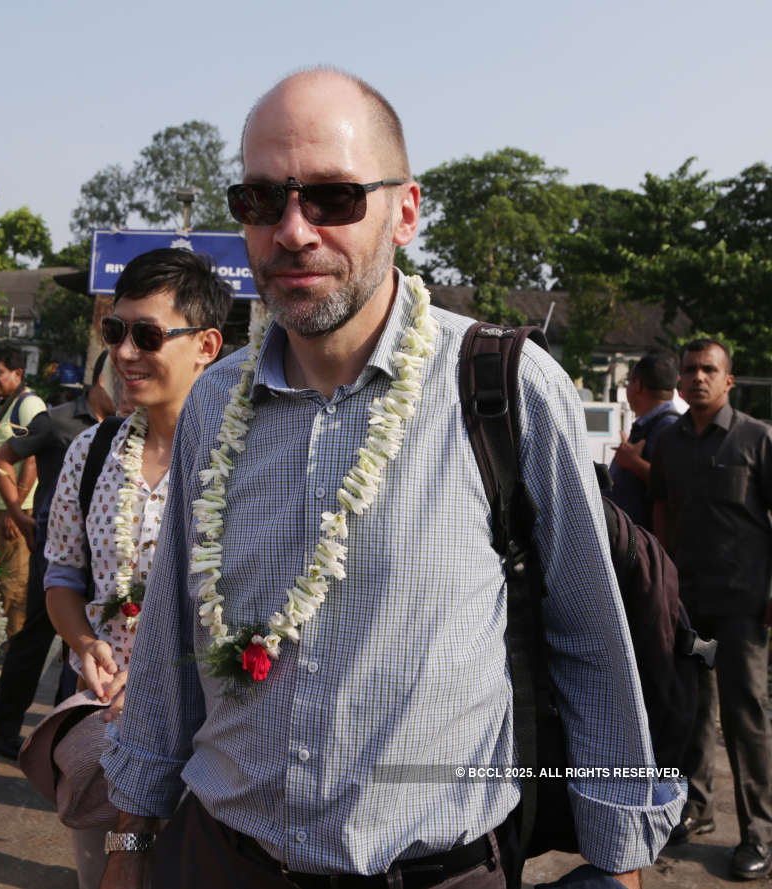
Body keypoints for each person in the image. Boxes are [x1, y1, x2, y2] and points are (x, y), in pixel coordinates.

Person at [100, 69, 683, 889]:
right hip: (219, 860)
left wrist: (619, 865)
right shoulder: (213, 405)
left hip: (434, 872)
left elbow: (591, 641)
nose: (293, 230)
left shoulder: (506, 389)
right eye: (262, 201)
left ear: (405, 211)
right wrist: (130, 844)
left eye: (334, 197)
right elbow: (168, 646)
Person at [43, 247, 229, 889]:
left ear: (206, 345)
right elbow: (63, 578)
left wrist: (156, 680)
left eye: (147, 335)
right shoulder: (91, 453)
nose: (124, 353)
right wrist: (86, 643)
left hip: (211, 738)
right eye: (114, 331)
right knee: (108, 872)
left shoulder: (247, 464)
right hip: (105, 728)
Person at [650, 338, 772, 880]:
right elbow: (662, 512)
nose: (698, 377)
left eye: (709, 370)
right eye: (691, 369)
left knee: (747, 720)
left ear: (729, 381)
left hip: (744, 606)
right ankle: (695, 809)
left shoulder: (756, 438)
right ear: (680, 381)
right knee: (694, 710)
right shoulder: (671, 442)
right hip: (690, 604)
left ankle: (759, 836)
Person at [0, 350, 117, 760]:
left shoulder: (134, 427)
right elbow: (3, 457)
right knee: (36, 637)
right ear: (101, 379)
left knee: (85, 647)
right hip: (55, 549)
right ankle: (4, 729)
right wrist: (17, 511)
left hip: (107, 554)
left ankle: (69, 736)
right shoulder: (57, 420)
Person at [0, 346, 46, 650]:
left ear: (17, 374)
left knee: (15, 583)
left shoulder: (29, 405)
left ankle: (12, 651)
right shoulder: (8, 404)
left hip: (16, 510)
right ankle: (3, 644)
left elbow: (32, 459)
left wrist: (15, 509)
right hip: (0, 508)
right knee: (1, 580)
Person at [606, 352, 680, 529]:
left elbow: (675, 483)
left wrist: (634, 463)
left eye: (629, 382)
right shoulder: (651, 423)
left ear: (638, 386)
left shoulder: (668, 426)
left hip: (647, 542)